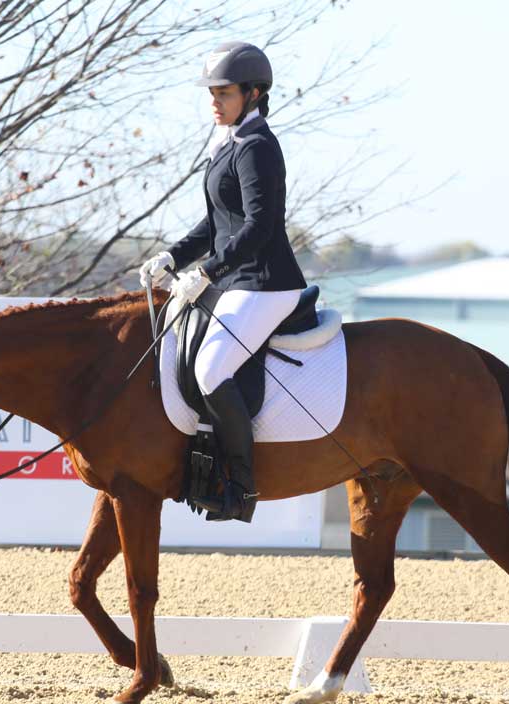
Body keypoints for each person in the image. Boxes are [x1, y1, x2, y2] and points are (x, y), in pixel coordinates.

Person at [139, 41, 307, 524]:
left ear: (254, 94)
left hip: (267, 284)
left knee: (212, 370)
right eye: (211, 92)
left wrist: (207, 271)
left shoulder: (256, 148)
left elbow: (258, 227)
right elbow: (217, 225)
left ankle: (240, 483)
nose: (214, 101)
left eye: (224, 93)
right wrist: (173, 255)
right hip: (237, 281)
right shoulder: (229, 145)